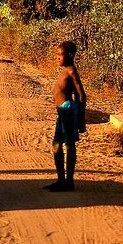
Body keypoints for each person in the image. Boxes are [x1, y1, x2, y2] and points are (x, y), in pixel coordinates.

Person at [45, 40, 86, 192]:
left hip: (68, 111)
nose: (57, 58)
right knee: (56, 144)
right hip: (62, 113)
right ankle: (61, 180)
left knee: (69, 145)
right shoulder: (64, 71)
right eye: (56, 55)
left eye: (60, 55)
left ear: (69, 55)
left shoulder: (71, 72)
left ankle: (69, 182)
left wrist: (81, 119)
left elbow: (81, 95)